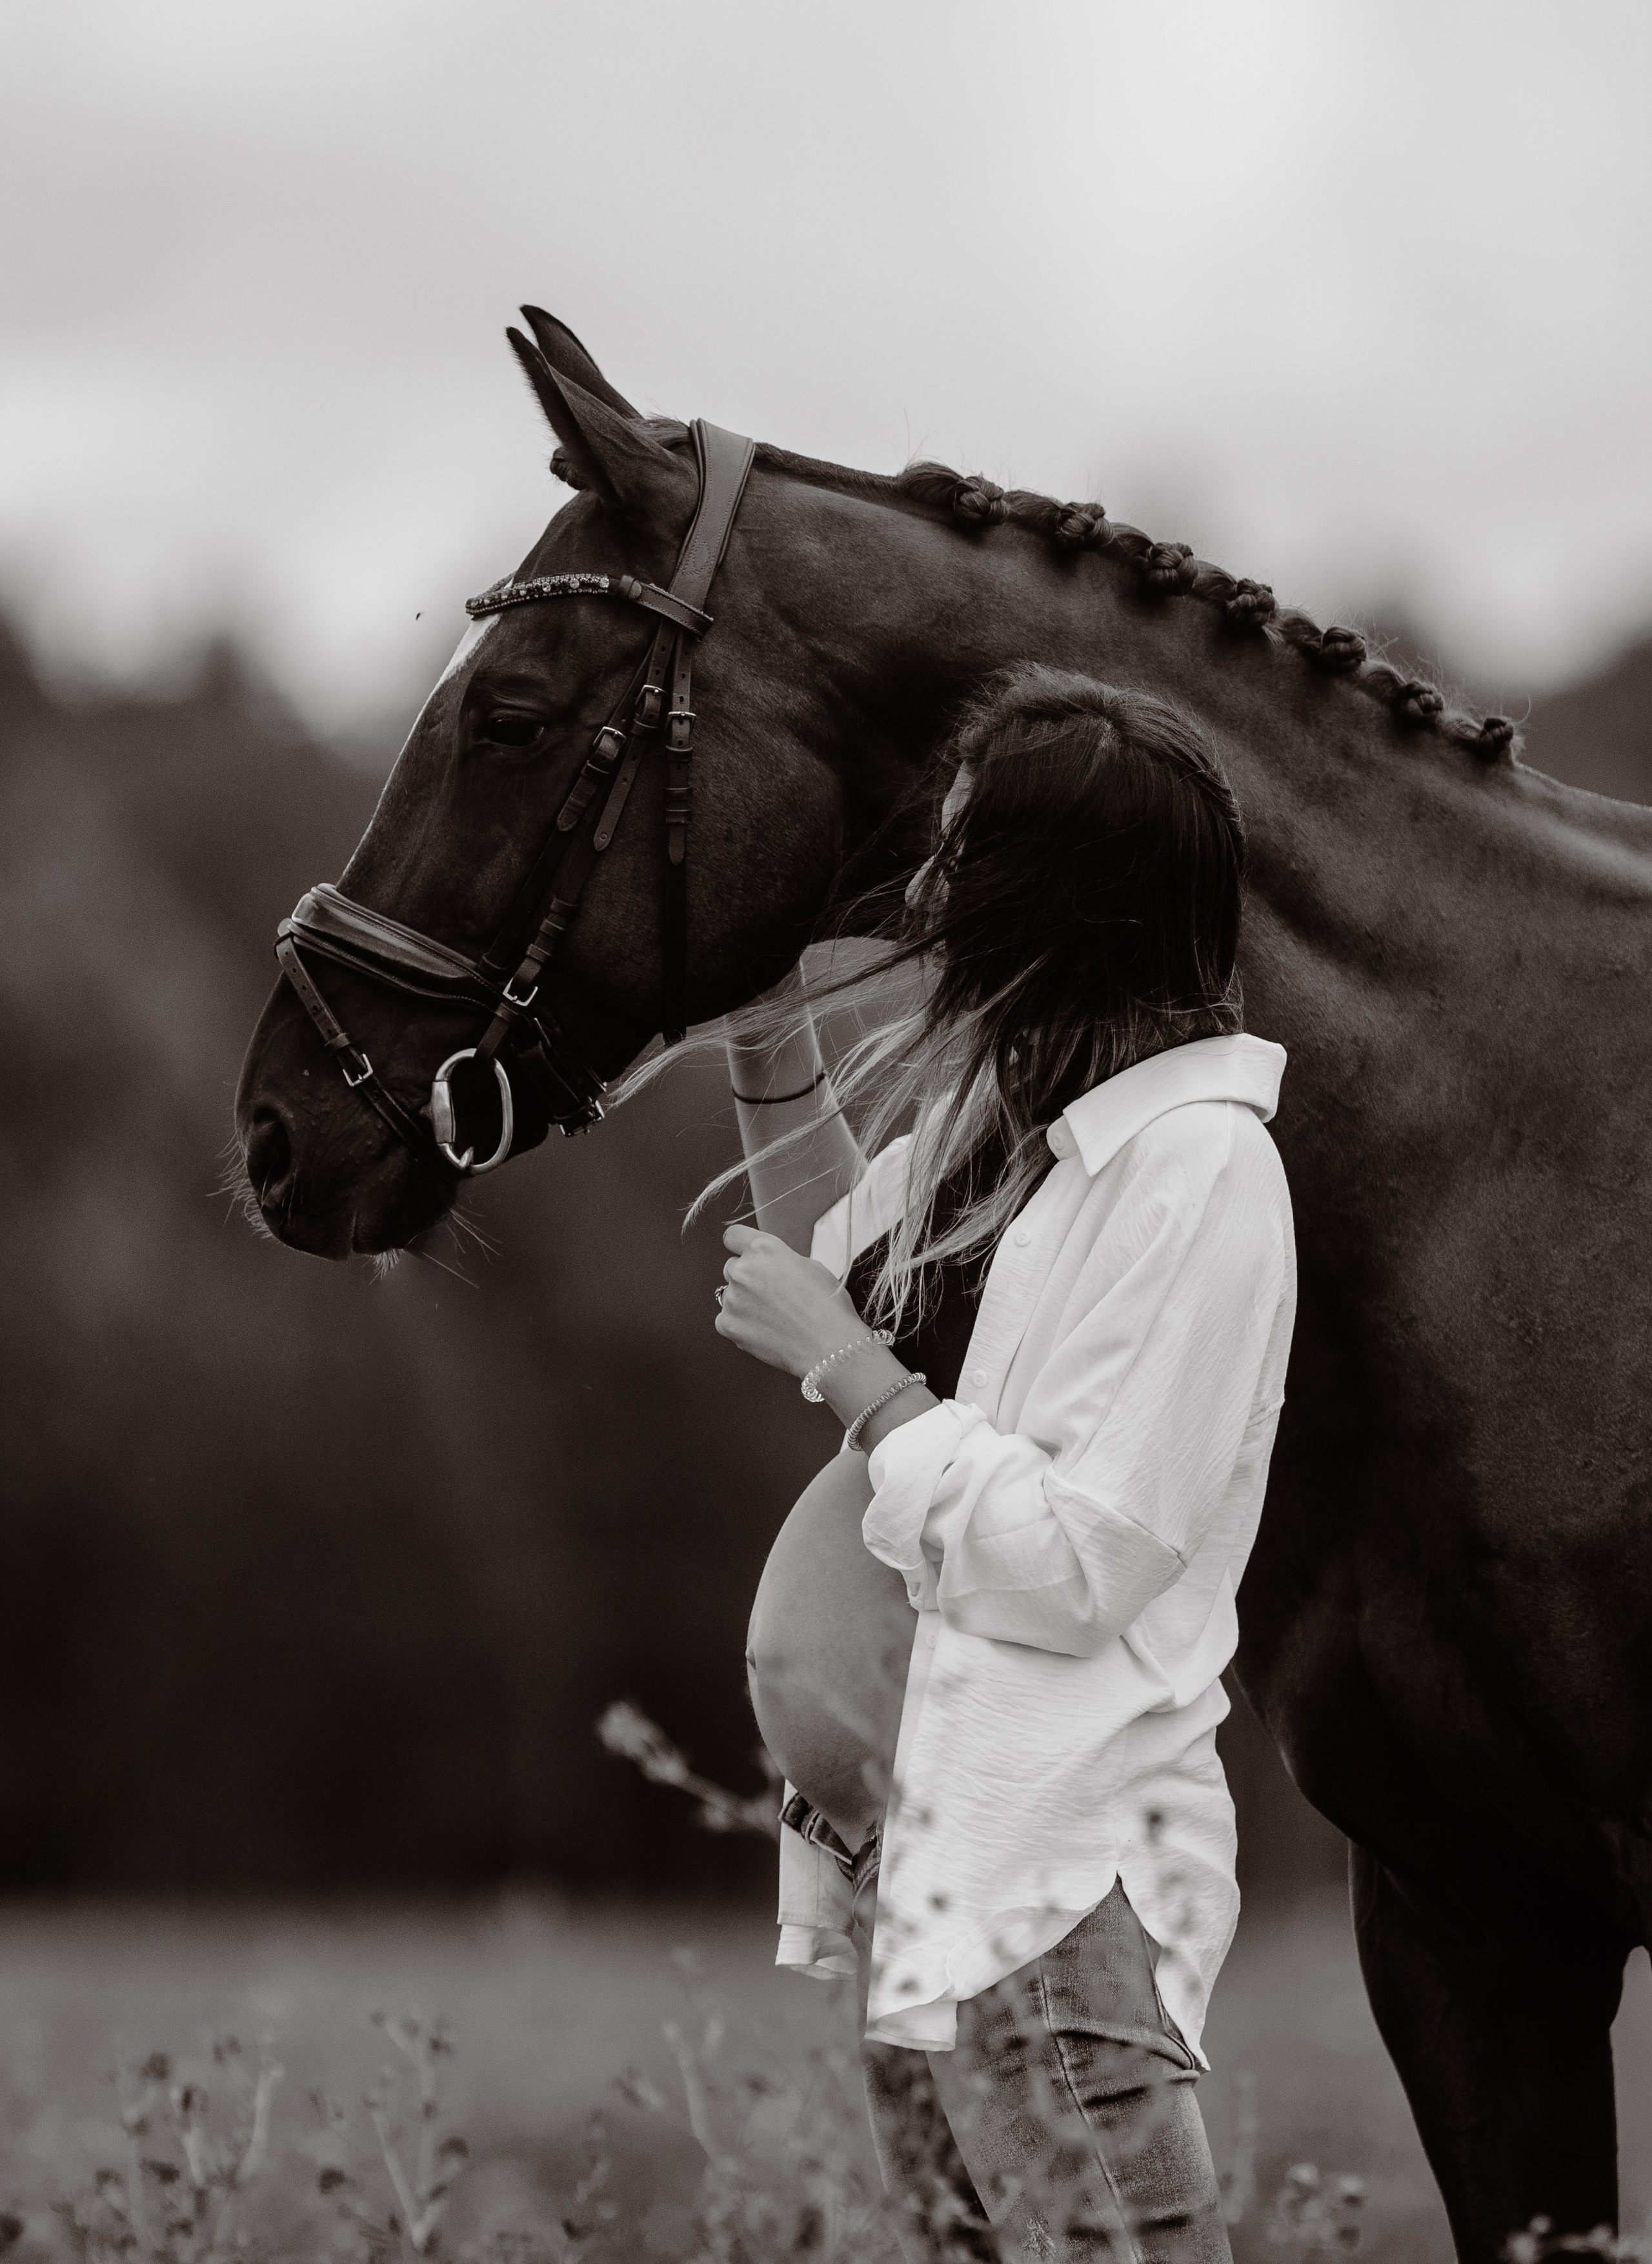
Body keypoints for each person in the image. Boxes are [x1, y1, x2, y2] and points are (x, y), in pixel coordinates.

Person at [713, 665, 1296, 2262]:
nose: (926, 892)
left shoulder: (1198, 1169)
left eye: (963, 854)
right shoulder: (1010, 1119)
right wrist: (765, 1033)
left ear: (1060, 892)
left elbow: (1082, 1557)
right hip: (918, 1856)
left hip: (1051, 1865)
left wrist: (849, 1370)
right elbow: (840, 1271)